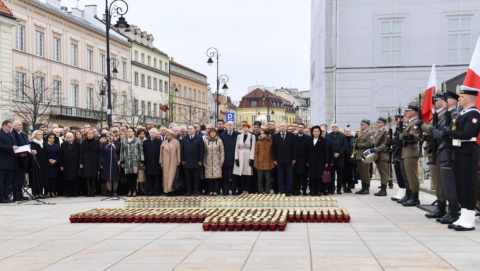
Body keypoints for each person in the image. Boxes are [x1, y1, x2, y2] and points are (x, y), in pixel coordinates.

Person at [443, 86, 480, 231]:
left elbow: (467, 133)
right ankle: (463, 216)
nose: (459, 99)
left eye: (462, 97)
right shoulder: (463, 113)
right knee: (460, 185)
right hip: (460, 151)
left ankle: (469, 219)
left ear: (471, 98)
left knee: (468, 185)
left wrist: (450, 132)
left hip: (468, 151)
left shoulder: (474, 114)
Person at [431, 90, 460, 224]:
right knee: (446, 184)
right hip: (443, 152)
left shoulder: (454, 115)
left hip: (449, 152)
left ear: (453, 101)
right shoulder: (445, 115)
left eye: (446, 100)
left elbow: (445, 133)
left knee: (450, 184)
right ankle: (450, 210)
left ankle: (454, 211)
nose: (443, 102)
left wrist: (435, 131)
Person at [419, 93, 447, 217]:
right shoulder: (437, 114)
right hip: (432, 149)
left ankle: (442, 207)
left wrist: (422, 126)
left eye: (436, 100)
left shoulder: (444, 114)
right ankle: (440, 205)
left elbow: (433, 129)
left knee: (438, 180)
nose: (434, 102)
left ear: (443, 101)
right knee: (436, 180)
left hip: (437, 150)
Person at [399, 102, 421, 206]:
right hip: (407, 151)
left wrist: (403, 136)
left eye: (408, 111)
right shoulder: (411, 123)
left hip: (411, 151)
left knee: (412, 176)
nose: (406, 113)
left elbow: (414, 136)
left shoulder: (415, 122)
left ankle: (415, 197)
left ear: (413, 112)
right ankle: (410, 195)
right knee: (408, 176)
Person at [272, 122, 296, 196]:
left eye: (284, 126)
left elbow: (294, 148)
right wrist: (274, 159)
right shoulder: (275, 136)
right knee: (280, 176)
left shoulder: (291, 136)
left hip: (289, 160)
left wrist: (294, 158)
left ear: (286, 127)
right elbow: (273, 149)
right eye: (281, 126)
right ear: (279, 127)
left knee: (289, 176)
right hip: (279, 160)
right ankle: (281, 190)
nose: (282, 127)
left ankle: (288, 190)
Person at [181, 125, 205, 196]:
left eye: (191, 129)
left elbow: (202, 150)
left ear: (195, 130)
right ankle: (189, 191)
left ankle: (196, 191)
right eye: (188, 129)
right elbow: (182, 150)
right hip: (187, 161)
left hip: (196, 162)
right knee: (187, 178)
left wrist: (201, 160)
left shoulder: (199, 138)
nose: (189, 130)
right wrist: (182, 159)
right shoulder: (184, 138)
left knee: (196, 178)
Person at [120, 127, 144, 197]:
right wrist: (122, 161)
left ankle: (134, 191)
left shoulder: (137, 140)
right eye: (128, 131)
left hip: (135, 161)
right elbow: (121, 152)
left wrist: (142, 161)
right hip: (127, 161)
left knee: (134, 176)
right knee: (128, 177)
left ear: (134, 132)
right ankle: (130, 190)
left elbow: (141, 151)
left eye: (131, 131)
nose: (129, 132)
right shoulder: (124, 141)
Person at [232, 123, 256, 194]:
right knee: (241, 174)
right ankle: (242, 189)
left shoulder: (252, 136)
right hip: (240, 154)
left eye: (246, 127)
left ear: (248, 128)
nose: (245, 129)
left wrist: (252, 158)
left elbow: (253, 147)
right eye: (243, 128)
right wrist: (236, 158)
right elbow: (236, 147)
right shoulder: (239, 136)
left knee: (248, 173)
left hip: (248, 154)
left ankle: (248, 189)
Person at [369, 117, 389, 196]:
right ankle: (382, 188)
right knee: (381, 172)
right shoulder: (378, 131)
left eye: (379, 122)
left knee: (384, 173)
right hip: (378, 155)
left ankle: (384, 190)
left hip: (383, 154)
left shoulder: (386, 132)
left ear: (383, 123)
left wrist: (376, 149)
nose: (377, 123)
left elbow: (385, 144)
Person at [306, 126, 329, 196]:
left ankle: (318, 191)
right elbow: (306, 152)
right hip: (311, 161)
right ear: (312, 132)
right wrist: (306, 161)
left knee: (319, 176)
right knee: (312, 176)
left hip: (320, 161)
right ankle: (312, 191)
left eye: (317, 131)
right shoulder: (309, 140)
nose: (316, 133)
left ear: (320, 132)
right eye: (314, 131)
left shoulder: (323, 140)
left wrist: (326, 162)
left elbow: (326, 152)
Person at [219, 121, 240, 195]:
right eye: (228, 125)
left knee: (234, 176)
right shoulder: (222, 135)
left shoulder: (238, 135)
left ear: (234, 126)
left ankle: (234, 190)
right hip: (225, 158)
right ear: (226, 126)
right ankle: (225, 190)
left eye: (231, 125)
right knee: (225, 176)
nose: (230, 126)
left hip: (235, 158)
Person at [326, 123, 348, 194]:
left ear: (338, 128)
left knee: (340, 174)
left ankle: (339, 189)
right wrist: (332, 154)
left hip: (340, 158)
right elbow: (326, 146)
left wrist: (339, 153)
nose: (334, 128)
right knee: (331, 175)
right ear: (331, 128)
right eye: (333, 127)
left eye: (336, 127)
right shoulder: (328, 136)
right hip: (331, 158)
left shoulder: (342, 136)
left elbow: (345, 146)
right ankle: (331, 189)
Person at [0, 120, 18, 203]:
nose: (10, 129)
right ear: (4, 126)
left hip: (11, 161)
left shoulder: (10, 134)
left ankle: (6, 196)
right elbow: (1, 146)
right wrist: (11, 148)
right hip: (2, 162)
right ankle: (1, 197)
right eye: (9, 127)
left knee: (8, 180)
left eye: (11, 127)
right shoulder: (1, 134)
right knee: (1, 181)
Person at [354, 119, 374, 195]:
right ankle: (363, 187)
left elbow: (369, 143)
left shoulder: (370, 133)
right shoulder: (360, 134)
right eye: (361, 124)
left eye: (362, 124)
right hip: (359, 155)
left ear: (367, 125)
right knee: (361, 173)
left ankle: (367, 188)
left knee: (365, 172)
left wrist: (358, 145)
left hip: (365, 155)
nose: (361, 125)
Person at [12, 120, 29, 201]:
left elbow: (27, 143)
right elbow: (14, 145)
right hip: (17, 159)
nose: (21, 126)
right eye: (19, 125)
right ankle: (16, 195)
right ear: (14, 126)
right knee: (16, 178)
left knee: (21, 178)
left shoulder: (22, 134)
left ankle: (20, 194)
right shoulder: (12, 134)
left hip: (24, 158)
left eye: (21, 124)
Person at [204, 128, 225, 196]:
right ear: (209, 133)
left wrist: (221, 161)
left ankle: (216, 190)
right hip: (208, 160)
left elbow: (222, 152)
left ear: (216, 133)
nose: (212, 133)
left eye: (213, 132)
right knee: (209, 177)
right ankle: (210, 190)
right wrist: (204, 160)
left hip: (217, 161)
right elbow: (204, 152)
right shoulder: (206, 141)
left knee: (216, 176)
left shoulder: (219, 141)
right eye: (211, 132)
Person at [59, 132, 81, 197]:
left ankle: (74, 192)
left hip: (75, 164)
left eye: (70, 137)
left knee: (75, 179)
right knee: (67, 179)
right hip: (66, 165)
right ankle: (68, 192)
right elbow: (61, 155)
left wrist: (80, 163)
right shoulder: (63, 144)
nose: (69, 138)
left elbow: (80, 155)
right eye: (67, 137)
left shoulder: (78, 144)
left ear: (73, 137)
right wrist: (61, 165)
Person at [160, 129, 181, 196]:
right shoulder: (164, 142)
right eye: (167, 135)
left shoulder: (176, 142)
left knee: (172, 176)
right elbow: (161, 153)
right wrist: (161, 162)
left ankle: (172, 190)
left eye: (169, 135)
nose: (167, 136)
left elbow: (178, 152)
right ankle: (166, 190)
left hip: (173, 161)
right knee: (165, 176)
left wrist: (178, 161)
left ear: (172, 135)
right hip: (165, 161)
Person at [79, 129, 100, 197]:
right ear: (86, 134)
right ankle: (89, 191)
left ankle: (93, 191)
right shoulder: (83, 142)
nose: (90, 134)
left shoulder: (97, 142)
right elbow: (81, 153)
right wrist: (81, 163)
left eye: (91, 133)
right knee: (87, 177)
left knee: (93, 177)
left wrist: (99, 162)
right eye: (89, 133)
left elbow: (99, 152)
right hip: (86, 161)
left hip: (94, 160)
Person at [30, 130, 48, 199]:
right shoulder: (32, 143)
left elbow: (46, 151)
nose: (39, 135)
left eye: (40, 134)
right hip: (36, 161)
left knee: (42, 177)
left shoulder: (44, 142)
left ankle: (40, 192)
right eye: (37, 134)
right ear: (34, 135)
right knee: (35, 176)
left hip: (43, 161)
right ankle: (35, 193)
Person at [254, 129, 274, 194]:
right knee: (259, 179)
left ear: (266, 134)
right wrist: (256, 163)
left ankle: (267, 191)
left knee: (268, 179)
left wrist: (272, 164)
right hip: (260, 163)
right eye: (261, 133)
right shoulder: (258, 142)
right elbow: (256, 153)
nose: (261, 135)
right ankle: (260, 191)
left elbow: (272, 154)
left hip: (268, 163)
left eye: (262, 133)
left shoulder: (270, 142)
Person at [143, 128, 162, 196]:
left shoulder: (160, 142)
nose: (152, 134)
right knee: (149, 178)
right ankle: (150, 191)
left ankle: (156, 191)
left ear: (156, 133)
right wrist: (144, 163)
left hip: (157, 162)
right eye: (151, 132)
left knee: (157, 178)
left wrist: (161, 162)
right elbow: (143, 153)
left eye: (153, 132)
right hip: (148, 163)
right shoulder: (145, 142)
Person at [294, 123, 310, 196]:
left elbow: (309, 150)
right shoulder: (294, 137)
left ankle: (304, 191)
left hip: (304, 161)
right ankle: (296, 191)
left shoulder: (307, 138)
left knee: (304, 177)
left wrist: (307, 160)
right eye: (299, 127)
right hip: (296, 160)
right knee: (296, 177)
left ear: (304, 129)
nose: (300, 128)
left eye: (302, 127)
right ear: (297, 128)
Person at [45, 132, 60, 198]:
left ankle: (53, 191)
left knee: (54, 179)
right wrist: (48, 160)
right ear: (47, 138)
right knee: (48, 178)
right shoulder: (45, 145)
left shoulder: (56, 145)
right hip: (47, 164)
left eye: (53, 138)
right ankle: (48, 191)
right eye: (50, 138)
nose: (51, 139)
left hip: (54, 164)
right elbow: (44, 154)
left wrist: (55, 160)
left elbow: (59, 155)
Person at [343, 127, 355, 193]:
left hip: (351, 159)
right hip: (344, 159)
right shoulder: (342, 138)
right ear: (344, 132)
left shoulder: (354, 139)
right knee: (344, 174)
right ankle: (344, 187)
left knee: (351, 174)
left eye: (349, 131)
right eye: (346, 131)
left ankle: (349, 187)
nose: (347, 132)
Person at [136, 129, 147, 195]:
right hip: (138, 160)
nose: (141, 135)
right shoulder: (136, 141)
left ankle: (145, 189)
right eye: (140, 134)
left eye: (143, 133)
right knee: (139, 177)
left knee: (145, 176)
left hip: (146, 160)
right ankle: (140, 189)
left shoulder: (147, 141)